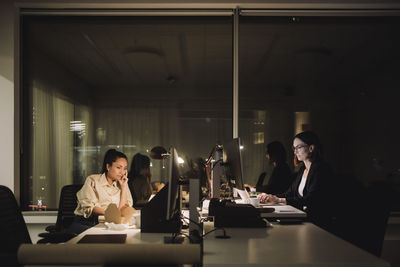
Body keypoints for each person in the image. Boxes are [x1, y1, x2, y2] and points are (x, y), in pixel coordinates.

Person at [259, 131, 335, 228]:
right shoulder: (303, 169)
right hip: (304, 218)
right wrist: (271, 197)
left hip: (317, 221)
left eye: (298, 147)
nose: (295, 152)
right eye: (294, 148)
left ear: (311, 148)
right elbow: (289, 193)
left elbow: (310, 200)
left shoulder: (322, 170)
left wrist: (279, 200)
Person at [71, 149, 133, 234]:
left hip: (110, 224)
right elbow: (89, 207)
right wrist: (111, 215)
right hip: (88, 223)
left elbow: (123, 209)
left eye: (125, 168)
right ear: (108, 167)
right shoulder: (93, 180)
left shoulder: (123, 184)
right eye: (118, 167)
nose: (122, 172)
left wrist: (124, 187)